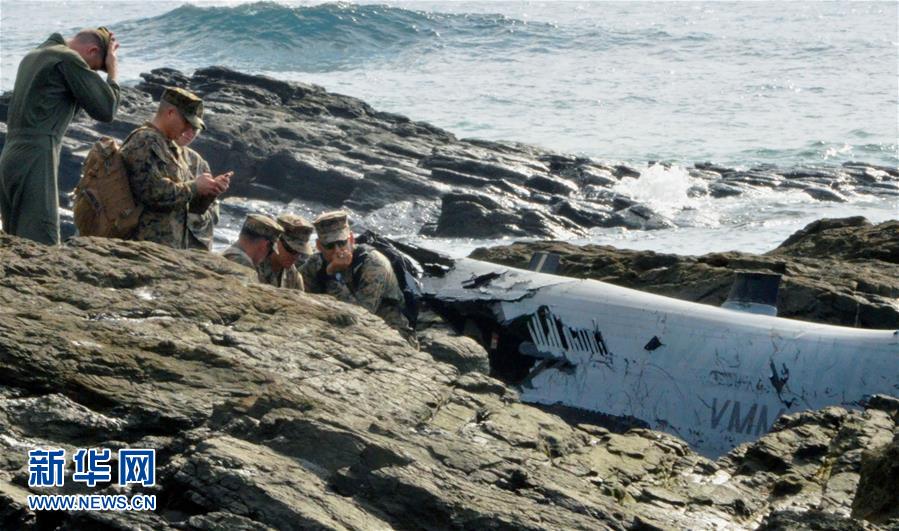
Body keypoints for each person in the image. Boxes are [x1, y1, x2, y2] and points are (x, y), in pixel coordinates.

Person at [0, 27, 121, 245]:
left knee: (15, 242)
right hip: (37, 155)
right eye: (93, 68)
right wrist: (112, 71)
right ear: (92, 50)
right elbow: (106, 110)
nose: (90, 72)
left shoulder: (34, 56)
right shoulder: (68, 59)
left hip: (9, 155)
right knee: (41, 241)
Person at [120, 87, 230, 249]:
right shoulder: (146, 140)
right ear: (170, 113)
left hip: (166, 247)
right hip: (142, 244)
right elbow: (152, 192)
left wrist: (208, 191)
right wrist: (195, 186)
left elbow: (184, 206)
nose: (188, 130)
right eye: (186, 122)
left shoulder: (170, 147)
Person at [300, 211, 415, 344]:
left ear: (351, 239)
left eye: (342, 243)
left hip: (391, 333)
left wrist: (333, 276)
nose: (338, 250)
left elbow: (360, 315)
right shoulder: (316, 263)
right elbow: (297, 291)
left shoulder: (374, 265)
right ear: (319, 246)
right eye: (330, 246)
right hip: (337, 327)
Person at [176, 128, 220, 251]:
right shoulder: (153, 146)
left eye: (195, 130)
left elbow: (212, 213)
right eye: (188, 127)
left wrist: (214, 190)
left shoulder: (197, 161)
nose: (191, 133)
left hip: (195, 242)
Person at [258, 213, 313, 290]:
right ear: (276, 240)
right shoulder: (254, 265)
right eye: (291, 250)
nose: (295, 257)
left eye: (300, 252)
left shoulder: (293, 276)